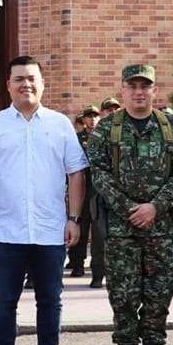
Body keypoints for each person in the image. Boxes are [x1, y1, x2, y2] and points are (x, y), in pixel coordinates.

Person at [0, 55, 88, 345]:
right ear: (8, 84)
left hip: (51, 230)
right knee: (4, 301)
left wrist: (74, 218)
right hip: (6, 231)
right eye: (18, 78)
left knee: (50, 301)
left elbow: (76, 172)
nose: (26, 84)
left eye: (31, 78)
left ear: (42, 82)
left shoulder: (60, 124)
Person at [86, 64, 173, 345]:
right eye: (132, 86)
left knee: (159, 295)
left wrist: (154, 207)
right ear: (123, 90)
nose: (138, 91)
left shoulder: (171, 127)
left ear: (153, 90)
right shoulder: (107, 129)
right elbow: (98, 172)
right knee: (123, 296)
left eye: (144, 86)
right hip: (121, 230)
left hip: (160, 229)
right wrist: (129, 208)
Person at [67, 105, 105, 286]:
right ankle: (77, 263)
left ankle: (98, 272)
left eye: (95, 116)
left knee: (98, 232)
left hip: (99, 190)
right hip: (82, 188)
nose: (92, 120)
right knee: (79, 227)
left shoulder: (104, 138)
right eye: (89, 117)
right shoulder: (77, 139)